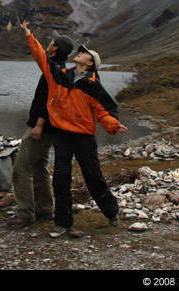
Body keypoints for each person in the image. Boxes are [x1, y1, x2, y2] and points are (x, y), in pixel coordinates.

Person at [20, 20, 128, 238]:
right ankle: (62, 223)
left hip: (84, 138)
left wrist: (113, 126)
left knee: (93, 177)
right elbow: (42, 58)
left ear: (89, 64)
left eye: (84, 54)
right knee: (60, 178)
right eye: (80, 52)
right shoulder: (61, 75)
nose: (80, 53)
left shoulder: (93, 86)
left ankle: (111, 211)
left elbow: (104, 111)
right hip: (62, 136)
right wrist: (29, 36)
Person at [9, 30, 74, 227]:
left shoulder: (53, 69)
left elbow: (51, 101)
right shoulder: (61, 69)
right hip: (49, 127)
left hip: (42, 127)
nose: (50, 42)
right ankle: (45, 209)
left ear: (56, 49)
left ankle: (25, 213)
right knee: (38, 166)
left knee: (21, 169)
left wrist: (38, 124)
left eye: (53, 41)